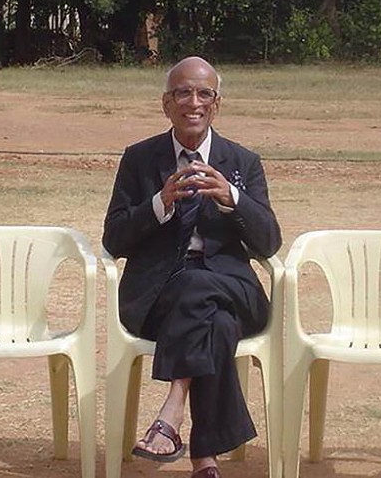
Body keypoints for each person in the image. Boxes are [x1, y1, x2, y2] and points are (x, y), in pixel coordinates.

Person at [102, 56, 281, 478]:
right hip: (158, 296)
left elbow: (269, 241)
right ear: (166, 103)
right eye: (183, 92)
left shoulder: (242, 161)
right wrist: (159, 203)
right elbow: (114, 238)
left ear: (217, 104)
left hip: (235, 291)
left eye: (204, 93)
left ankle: (173, 405)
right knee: (212, 322)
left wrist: (233, 198)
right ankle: (205, 459)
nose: (193, 102)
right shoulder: (140, 159)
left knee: (199, 285)